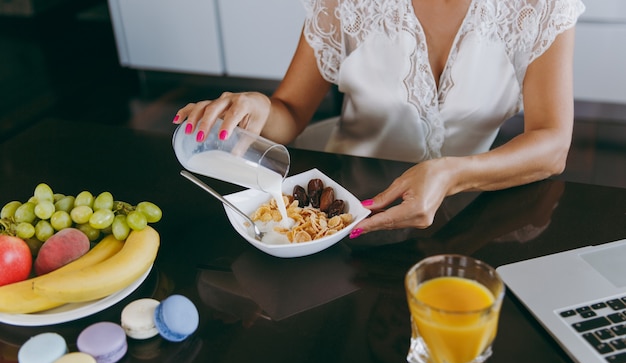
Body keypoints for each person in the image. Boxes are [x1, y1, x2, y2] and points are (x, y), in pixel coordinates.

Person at [173, 0, 586, 239]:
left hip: (465, 215)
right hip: (339, 208)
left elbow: (552, 145)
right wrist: (261, 109)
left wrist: (450, 175)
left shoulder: (542, 6)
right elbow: (291, 112)